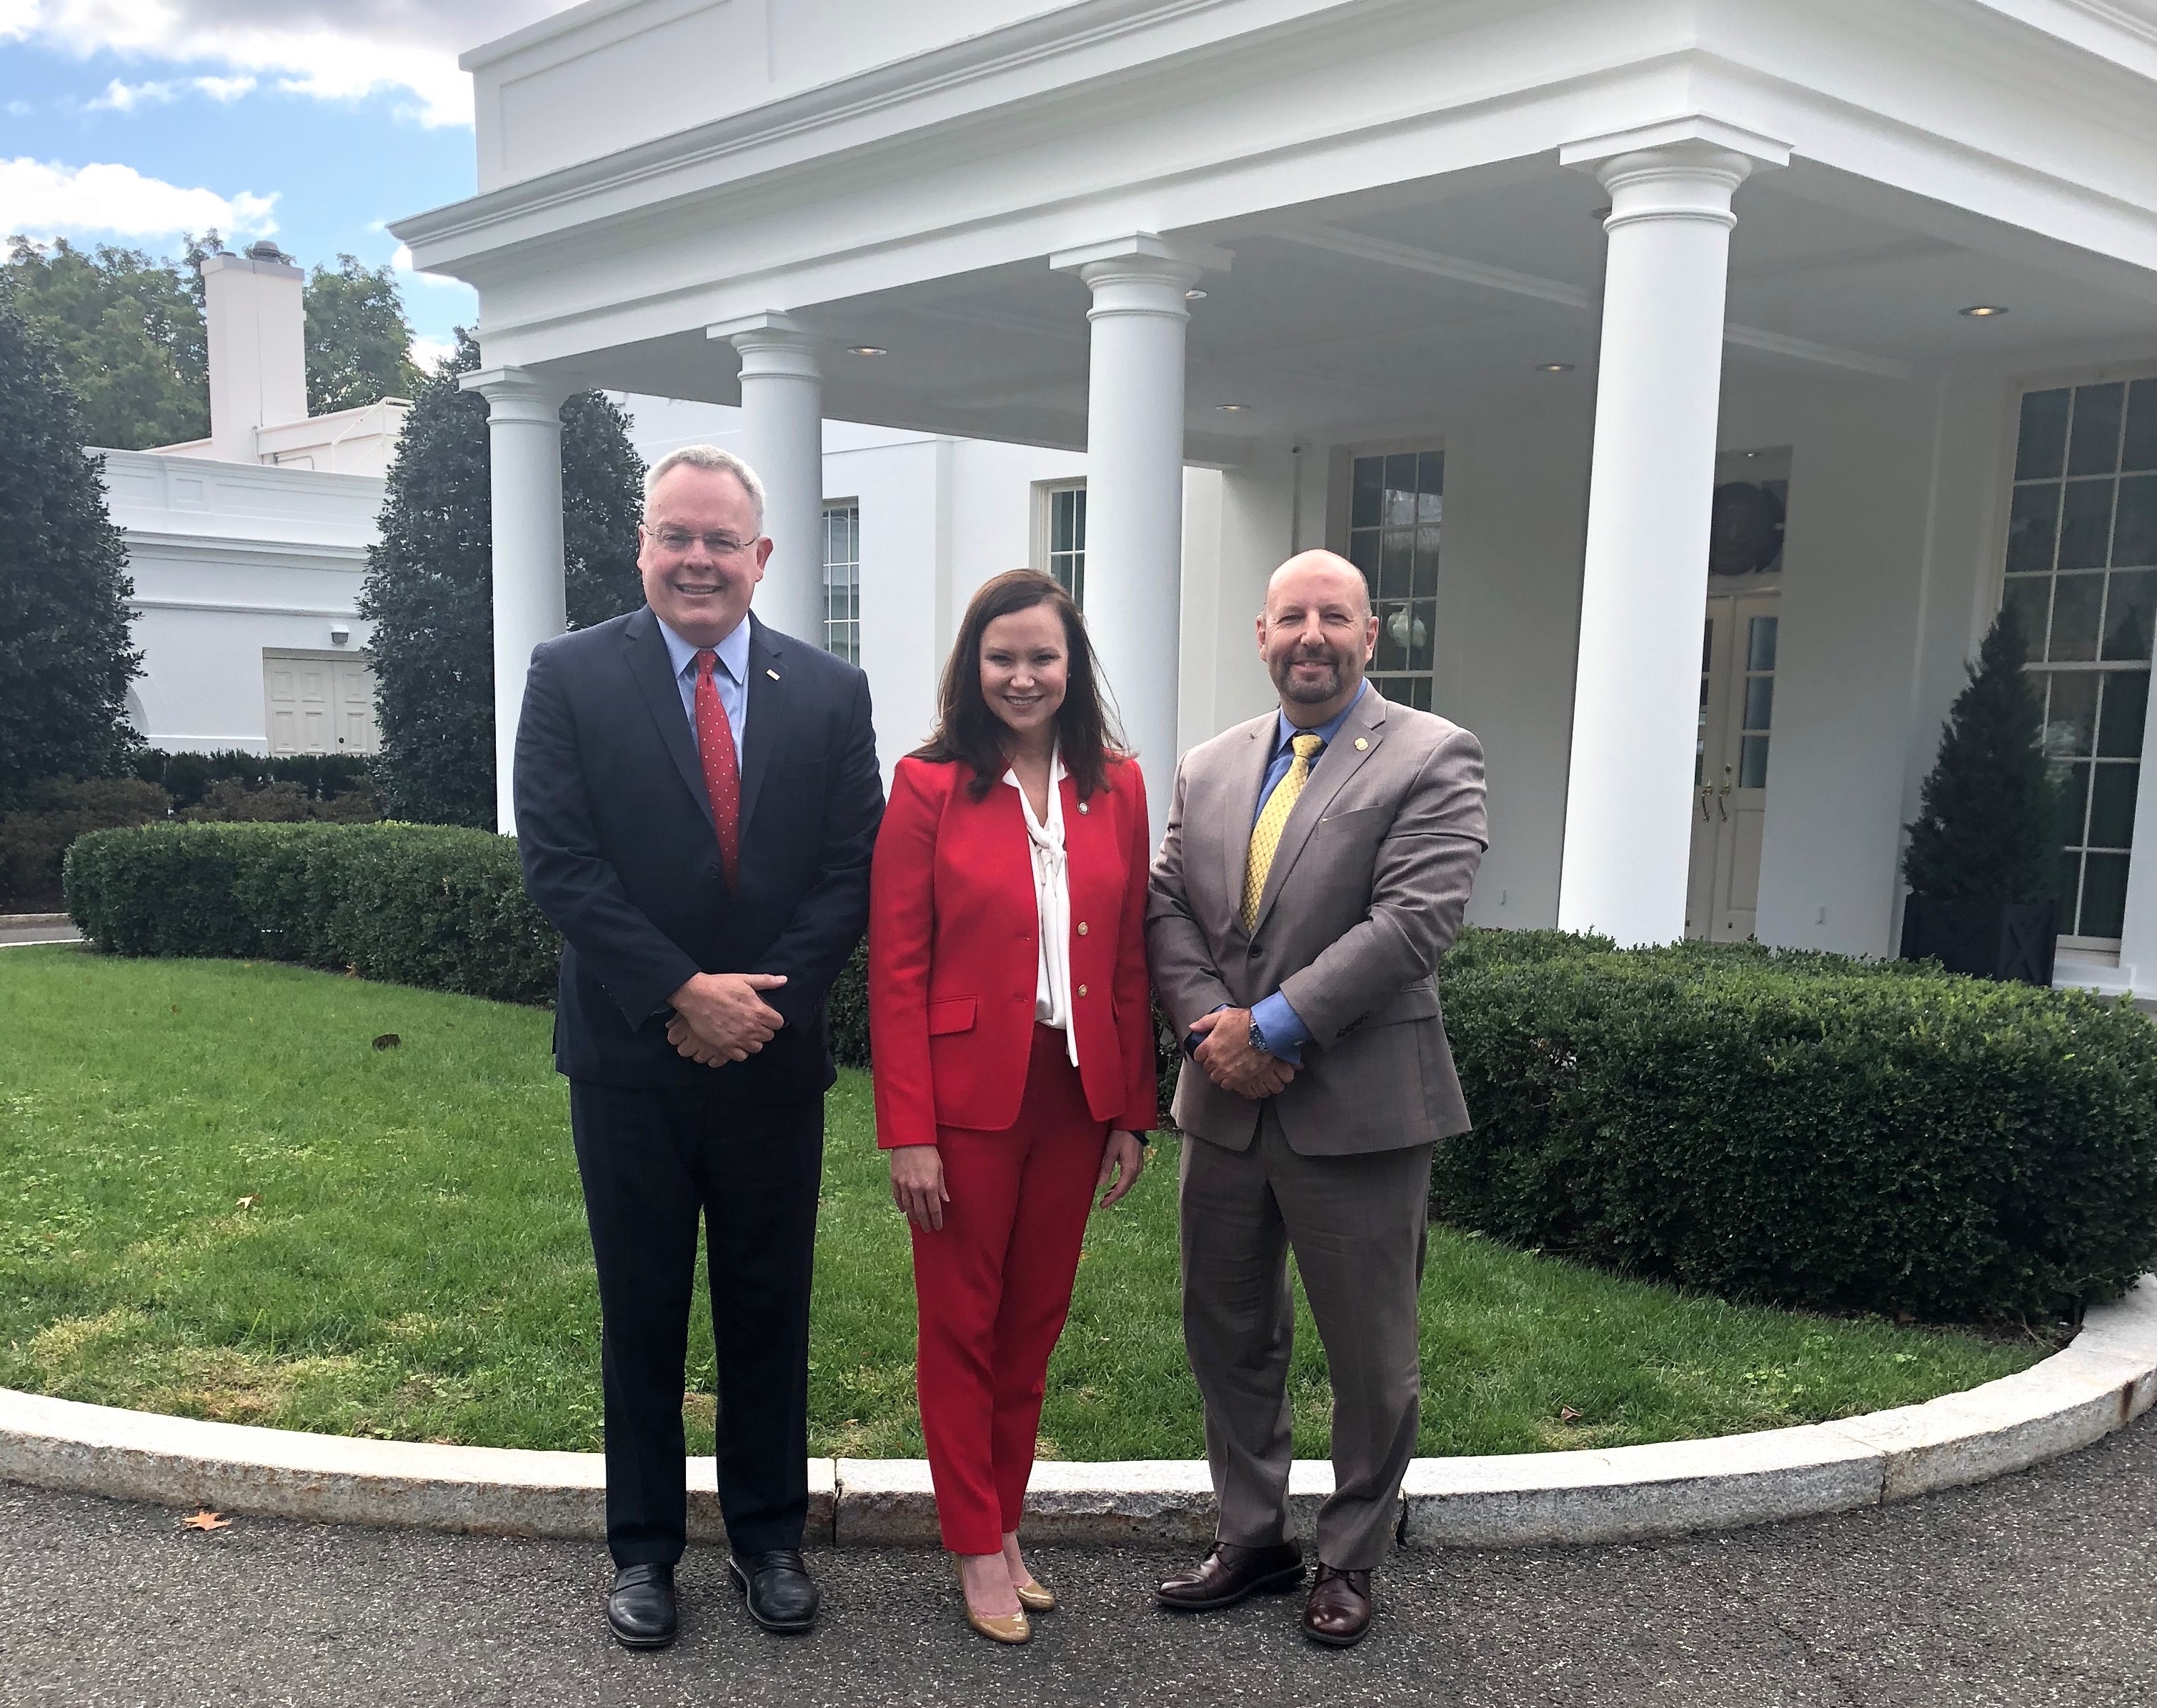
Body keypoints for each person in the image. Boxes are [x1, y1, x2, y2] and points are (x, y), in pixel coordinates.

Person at [514, 444, 882, 1648]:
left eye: (723, 540)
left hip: (771, 1058)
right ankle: (645, 1550)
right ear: (642, 548)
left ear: (763, 558)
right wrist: (681, 991)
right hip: (628, 1056)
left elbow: (850, 870)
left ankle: (769, 1538)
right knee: (643, 1308)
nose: (698, 560)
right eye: (676, 535)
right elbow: (560, 865)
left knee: (770, 1302)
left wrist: (757, 1005)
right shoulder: (570, 674)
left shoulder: (829, 692)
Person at [1145, 549, 1487, 1649]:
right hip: (1225, 1105)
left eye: (1332, 617)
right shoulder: (1210, 764)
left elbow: (1413, 921)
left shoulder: (1433, 756)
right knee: (1228, 1331)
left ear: (1370, 634)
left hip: (1362, 1108)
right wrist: (1214, 1031)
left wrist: (1275, 1027)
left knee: (1369, 1352)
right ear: (1261, 635)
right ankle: (1251, 1535)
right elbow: (1165, 909)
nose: (1311, 636)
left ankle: (1350, 1555)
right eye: (1291, 617)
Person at [868, 569, 1157, 1645]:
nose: (1023, 676)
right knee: (962, 1328)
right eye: (1003, 658)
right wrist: (908, 1130)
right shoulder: (929, 786)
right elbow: (895, 972)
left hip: (1074, 1098)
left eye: (1042, 657)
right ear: (972, 670)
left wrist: (1131, 1109)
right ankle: (974, 1542)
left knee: (1032, 1329)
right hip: (963, 1104)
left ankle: (1005, 1520)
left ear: (1071, 666)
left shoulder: (1115, 786)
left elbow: (1128, 957)